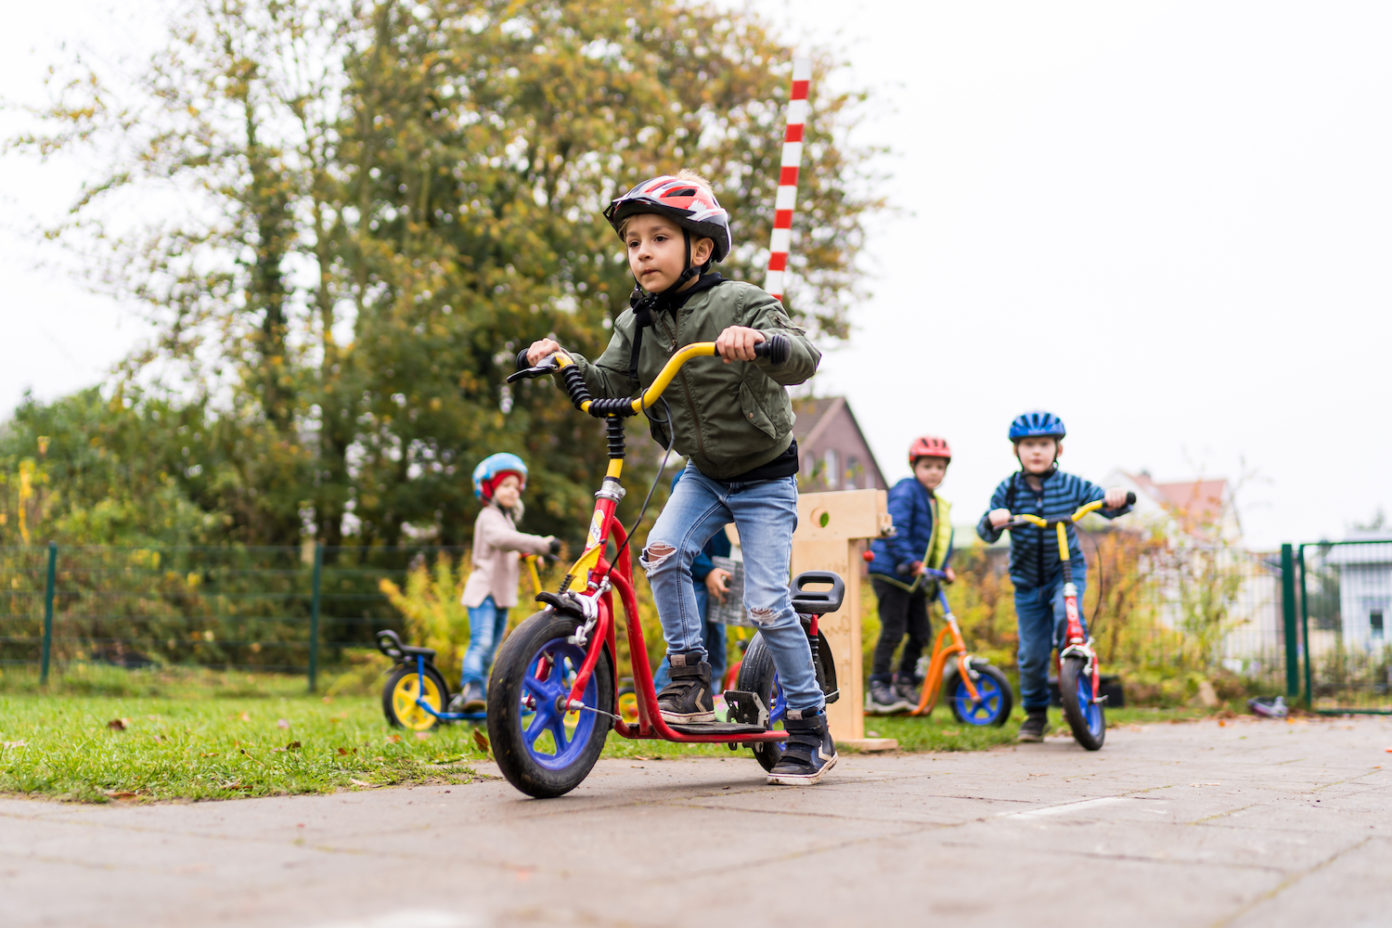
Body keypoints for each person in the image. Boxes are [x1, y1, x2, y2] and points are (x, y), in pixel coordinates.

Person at [523, 171, 835, 785]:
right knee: (661, 553)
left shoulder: (739, 301)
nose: (642, 252)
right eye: (633, 242)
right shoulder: (635, 324)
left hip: (765, 474)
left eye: (658, 238)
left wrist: (762, 341)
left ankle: (809, 723)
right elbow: (610, 382)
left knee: (766, 603)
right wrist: (564, 361)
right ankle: (689, 677)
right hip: (704, 472)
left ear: (699, 248)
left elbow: (804, 355)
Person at [976, 411, 1132, 742]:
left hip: (1066, 573)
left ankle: (1079, 684)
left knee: (1067, 619)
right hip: (1027, 582)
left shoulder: (1071, 484)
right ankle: (1035, 715)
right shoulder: (1008, 489)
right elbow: (986, 531)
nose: (1036, 451)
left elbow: (1104, 504)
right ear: (1016, 450)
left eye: (1044, 444)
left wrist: (1115, 499)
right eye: (1028, 445)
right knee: (1032, 655)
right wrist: (993, 519)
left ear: (1058, 449)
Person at [452, 452, 558, 713]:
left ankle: (477, 696)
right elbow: (502, 540)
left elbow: (509, 544)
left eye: (515, 487)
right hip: (484, 593)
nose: (512, 491)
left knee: (492, 649)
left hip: (501, 595)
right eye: (505, 485)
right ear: (489, 488)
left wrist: (526, 554)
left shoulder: (506, 519)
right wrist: (541, 544)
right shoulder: (489, 516)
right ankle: (471, 687)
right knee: (481, 642)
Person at [865, 435, 956, 713]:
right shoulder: (907, 490)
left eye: (939, 467)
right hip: (893, 572)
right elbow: (895, 527)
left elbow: (937, 540)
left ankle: (905, 683)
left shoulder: (936, 502)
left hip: (915, 578)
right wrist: (909, 560)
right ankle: (878, 687)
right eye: (927, 466)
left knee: (921, 633)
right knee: (893, 630)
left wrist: (945, 566)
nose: (934, 472)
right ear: (914, 466)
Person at [651, 470, 734, 696]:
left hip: (717, 579)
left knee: (716, 649)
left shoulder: (734, 480)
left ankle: (708, 697)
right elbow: (681, 538)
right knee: (688, 648)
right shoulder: (686, 480)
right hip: (694, 580)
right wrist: (707, 571)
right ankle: (661, 696)